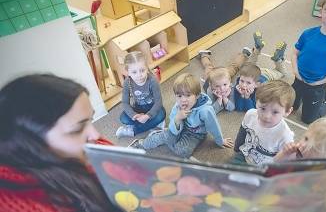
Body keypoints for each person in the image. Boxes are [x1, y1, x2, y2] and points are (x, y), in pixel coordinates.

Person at [0, 74, 122, 212]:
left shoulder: (94, 150)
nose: (96, 135)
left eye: (90, 120)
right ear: (32, 144)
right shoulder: (24, 204)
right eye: (77, 130)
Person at [130, 73, 234, 158]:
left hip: (195, 134)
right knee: (166, 136)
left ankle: (164, 136)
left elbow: (213, 126)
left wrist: (220, 141)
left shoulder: (206, 110)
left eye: (188, 95)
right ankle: (141, 143)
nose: (183, 99)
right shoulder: (179, 105)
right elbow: (173, 126)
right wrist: (177, 118)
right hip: (179, 128)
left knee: (182, 151)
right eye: (179, 96)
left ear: (197, 96)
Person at [199, 32, 288, 113]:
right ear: (211, 86)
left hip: (260, 75)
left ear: (230, 82)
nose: (222, 89)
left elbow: (235, 107)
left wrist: (241, 96)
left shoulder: (233, 86)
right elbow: (214, 110)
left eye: (225, 85)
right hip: (216, 77)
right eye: (218, 86)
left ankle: (255, 51)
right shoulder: (211, 90)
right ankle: (204, 55)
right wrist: (220, 99)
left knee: (236, 67)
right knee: (210, 67)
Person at [231, 80, 295, 166]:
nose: (267, 116)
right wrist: (237, 149)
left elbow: (286, 162)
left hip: (264, 167)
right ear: (256, 102)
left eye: (275, 112)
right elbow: (242, 132)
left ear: (287, 111)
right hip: (245, 155)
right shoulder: (250, 114)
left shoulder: (285, 136)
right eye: (263, 108)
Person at [115, 51, 166, 137]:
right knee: (123, 118)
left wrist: (147, 116)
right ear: (128, 72)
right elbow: (125, 103)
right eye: (134, 72)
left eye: (142, 70)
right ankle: (153, 125)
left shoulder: (153, 81)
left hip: (152, 107)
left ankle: (133, 131)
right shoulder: (127, 82)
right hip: (138, 109)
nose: (139, 75)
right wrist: (134, 115)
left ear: (147, 68)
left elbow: (158, 102)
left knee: (161, 115)